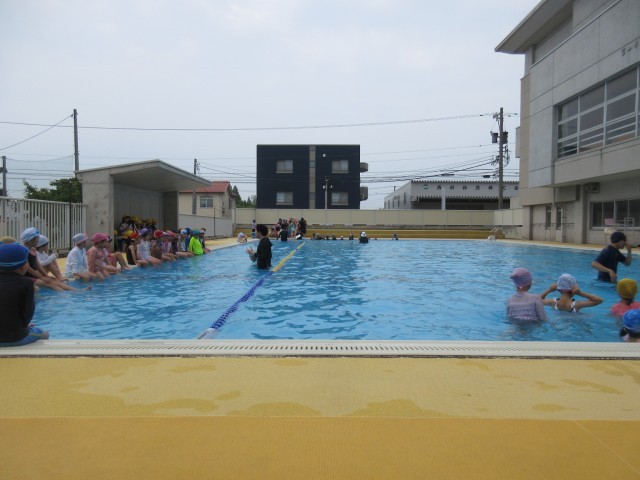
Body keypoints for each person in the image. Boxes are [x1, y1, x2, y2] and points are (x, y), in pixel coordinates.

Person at [0, 243, 49, 346]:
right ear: (22, 267)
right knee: (44, 334)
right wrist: (24, 326)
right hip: (15, 338)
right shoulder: (26, 283)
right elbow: (27, 314)